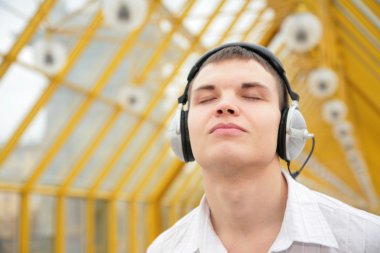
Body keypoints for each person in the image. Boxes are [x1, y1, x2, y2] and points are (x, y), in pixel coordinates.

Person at [147, 42, 380, 253]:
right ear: (183, 130)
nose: (225, 105)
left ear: (287, 126)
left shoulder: (366, 241)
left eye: (252, 96)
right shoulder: (164, 249)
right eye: (207, 99)